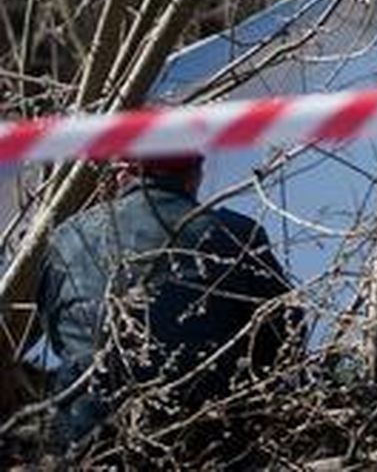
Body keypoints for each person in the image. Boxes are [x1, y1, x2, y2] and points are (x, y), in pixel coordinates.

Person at [33, 152, 302, 460]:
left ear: (123, 173)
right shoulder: (237, 234)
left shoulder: (69, 236)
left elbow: (57, 333)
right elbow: (284, 338)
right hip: (207, 440)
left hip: (89, 436)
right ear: (195, 176)